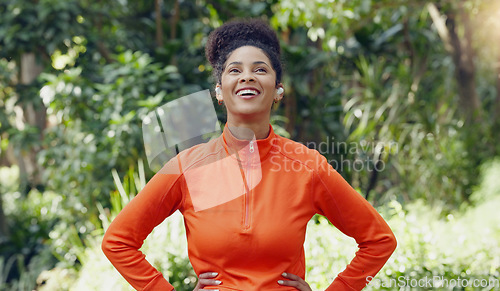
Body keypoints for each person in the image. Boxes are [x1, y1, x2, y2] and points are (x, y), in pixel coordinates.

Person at [102, 18, 397, 291]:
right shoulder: (186, 167)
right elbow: (118, 241)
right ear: (220, 91)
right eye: (234, 70)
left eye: (259, 69)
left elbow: (379, 241)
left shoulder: (308, 167)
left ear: (277, 90)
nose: (247, 77)